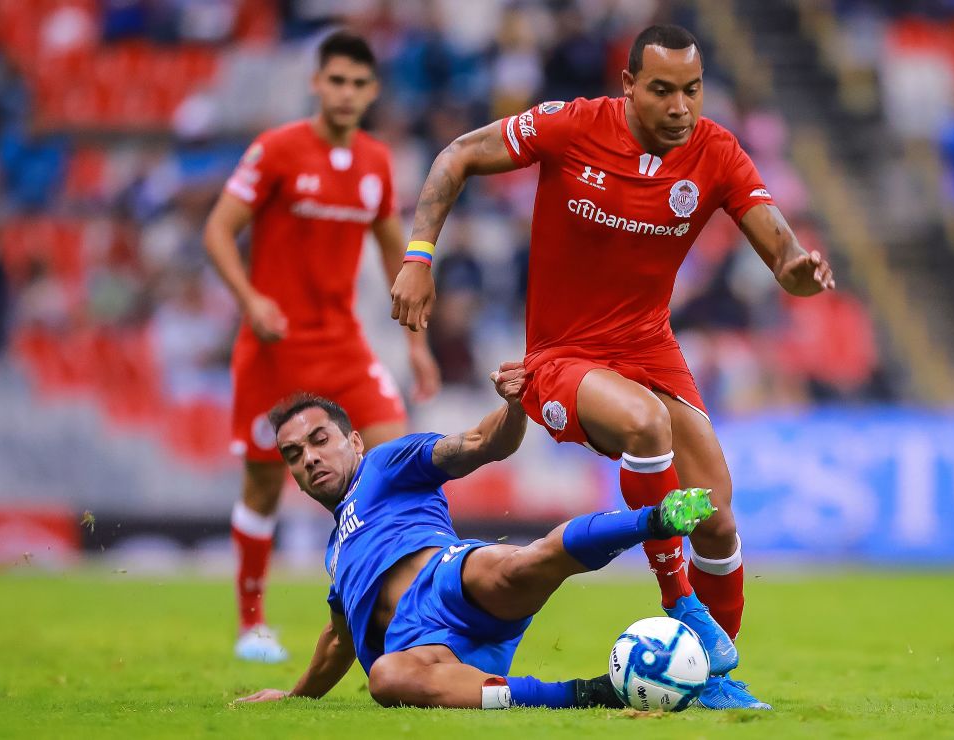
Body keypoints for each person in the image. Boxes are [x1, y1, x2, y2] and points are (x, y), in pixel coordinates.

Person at [390, 24, 837, 709]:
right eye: (662, 90)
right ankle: (678, 600)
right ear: (628, 85)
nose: (680, 106)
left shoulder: (716, 151)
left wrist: (799, 272)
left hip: (648, 347)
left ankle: (712, 679)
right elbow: (456, 155)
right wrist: (420, 256)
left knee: (716, 517)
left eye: (691, 90)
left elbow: (781, 250)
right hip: (560, 356)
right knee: (645, 423)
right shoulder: (572, 126)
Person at [236, 363, 718, 709]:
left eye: (319, 440)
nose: (310, 458)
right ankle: (587, 694)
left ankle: (655, 519)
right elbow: (339, 642)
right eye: (294, 454)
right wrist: (293, 698)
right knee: (385, 679)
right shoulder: (335, 556)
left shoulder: (385, 465)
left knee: (517, 564)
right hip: (426, 649)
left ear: (354, 441)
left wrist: (514, 407)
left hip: (450, 582)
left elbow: (481, 444)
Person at [204, 30, 440, 663]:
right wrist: (250, 300)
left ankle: (413, 606)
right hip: (272, 347)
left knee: (400, 464)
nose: (347, 92)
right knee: (262, 486)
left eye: (359, 83)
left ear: (373, 91)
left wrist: (416, 345)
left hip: (342, 344)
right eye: (336, 80)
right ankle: (252, 622)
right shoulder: (277, 150)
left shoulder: (375, 162)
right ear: (317, 83)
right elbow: (219, 230)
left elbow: (398, 254)